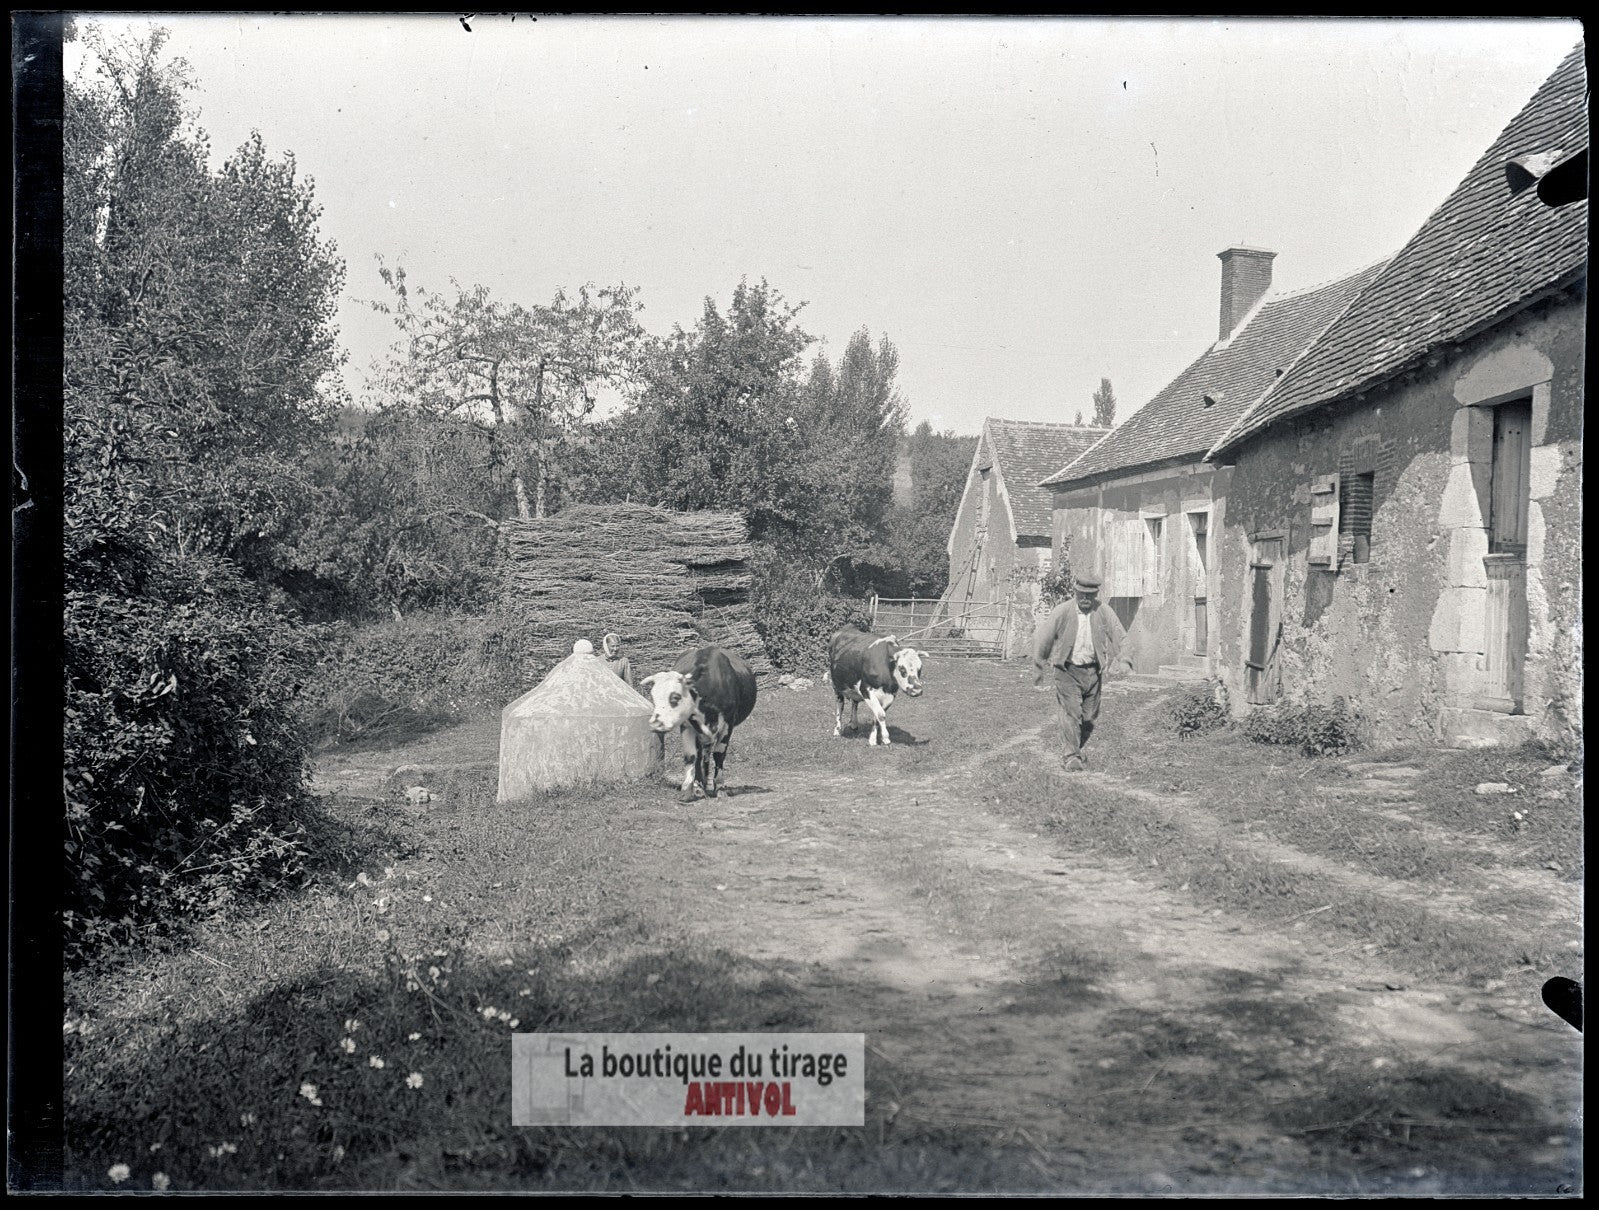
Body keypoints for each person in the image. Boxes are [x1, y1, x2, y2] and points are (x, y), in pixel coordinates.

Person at [1031, 572, 1133, 772]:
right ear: (1075, 591)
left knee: (1089, 718)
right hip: (1067, 671)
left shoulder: (1103, 611)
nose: (1086, 599)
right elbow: (1045, 637)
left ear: (1096, 594)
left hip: (1093, 673)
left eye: (1090, 595)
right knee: (1071, 713)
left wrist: (1125, 659)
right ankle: (1071, 756)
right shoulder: (1062, 612)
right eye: (1082, 594)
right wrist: (1039, 665)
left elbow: (1120, 636)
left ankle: (1077, 746)